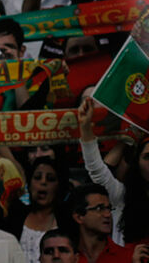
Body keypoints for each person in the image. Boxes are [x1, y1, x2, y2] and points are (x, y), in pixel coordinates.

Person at [78, 98, 149, 246]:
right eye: (147, 157)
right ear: (137, 162)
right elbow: (96, 170)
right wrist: (86, 129)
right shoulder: (122, 196)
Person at [69, 184, 130, 263]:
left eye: (108, 208)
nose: (108, 214)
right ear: (79, 217)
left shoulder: (128, 257)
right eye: (99, 208)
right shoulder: (65, 257)